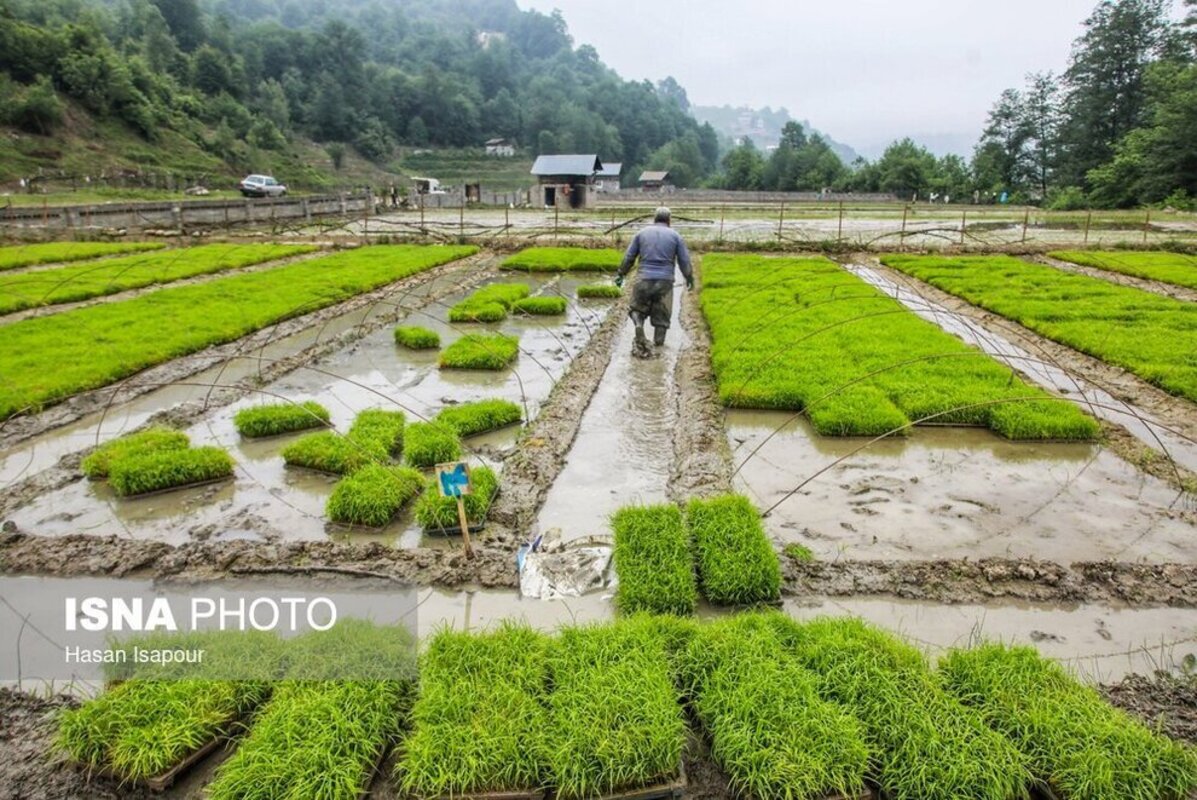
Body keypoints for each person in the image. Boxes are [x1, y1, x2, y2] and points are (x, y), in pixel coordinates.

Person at [615, 206, 694, 359]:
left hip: (643, 278)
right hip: (664, 282)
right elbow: (684, 261)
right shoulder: (676, 236)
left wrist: (621, 274)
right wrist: (689, 277)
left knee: (637, 309)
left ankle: (639, 325)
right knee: (661, 318)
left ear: (654, 219)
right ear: (669, 220)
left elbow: (629, 257)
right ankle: (658, 346)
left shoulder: (641, 234)